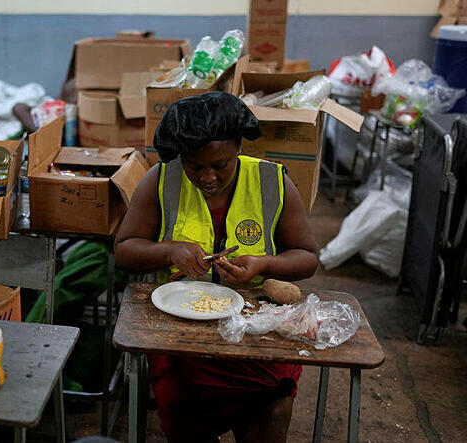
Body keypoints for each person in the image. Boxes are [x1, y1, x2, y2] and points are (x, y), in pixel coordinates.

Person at [114, 92, 319, 442]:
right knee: (185, 411)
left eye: (220, 165)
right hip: (177, 331)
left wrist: (264, 264)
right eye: (195, 167)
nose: (208, 177)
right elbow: (124, 250)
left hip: (255, 327)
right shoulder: (162, 181)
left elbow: (307, 257)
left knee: (274, 404)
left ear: (238, 148)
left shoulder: (271, 181)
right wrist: (169, 251)